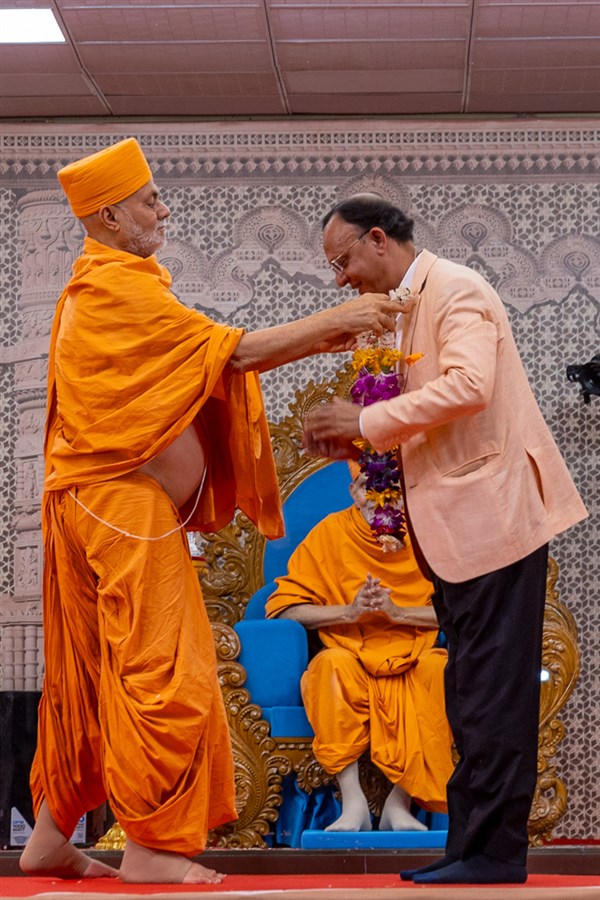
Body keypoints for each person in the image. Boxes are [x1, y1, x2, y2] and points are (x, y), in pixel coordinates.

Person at [19, 143, 402, 886]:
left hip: (97, 502)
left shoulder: (109, 287)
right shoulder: (112, 290)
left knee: (90, 676)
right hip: (120, 504)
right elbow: (231, 355)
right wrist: (337, 319)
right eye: (149, 200)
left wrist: (330, 331)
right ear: (110, 215)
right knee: (167, 671)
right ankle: (149, 845)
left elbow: (209, 357)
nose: (163, 210)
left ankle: (49, 836)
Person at [303, 194, 588, 885]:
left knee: (492, 694)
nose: (341, 278)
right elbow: (421, 426)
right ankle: (469, 846)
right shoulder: (401, 309)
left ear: (378, 239)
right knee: (467, 692)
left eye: (343, 261)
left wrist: (363, 423)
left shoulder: (457, 288)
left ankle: (493, 855)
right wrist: (357, 440)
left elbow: (469, 386)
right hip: (454, 531)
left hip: (492, 520)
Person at [265, 465, 454, 834]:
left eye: (392, 487)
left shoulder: (426, 535)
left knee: (438, 668)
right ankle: (354, 803)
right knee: (329, 666)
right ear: (353, 491)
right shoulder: (330, 534)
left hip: (413, 652)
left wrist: (398, 613)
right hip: (349, 651)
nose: (380, 498)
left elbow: (462, 611)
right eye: (370, 486)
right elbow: (285, 608)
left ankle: (399, 803)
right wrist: (349, 612)